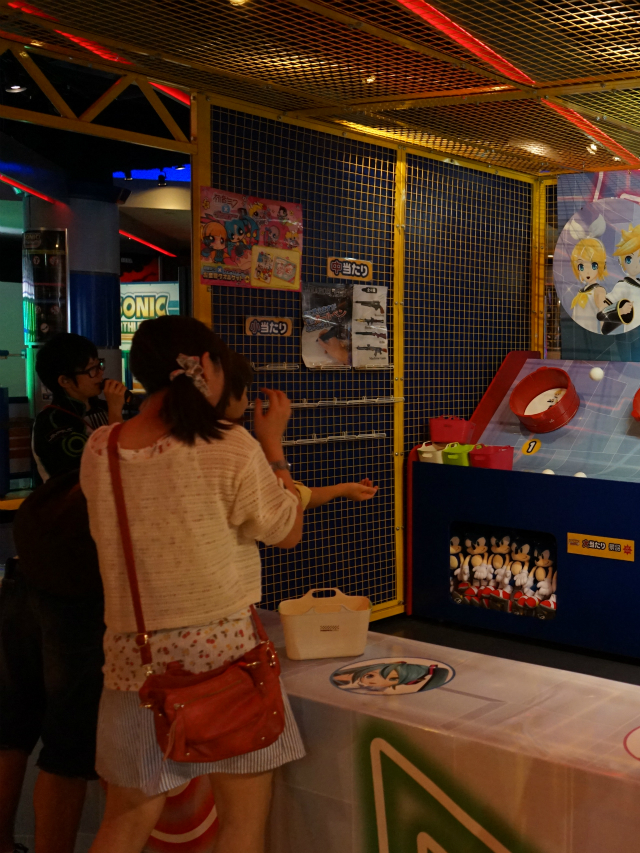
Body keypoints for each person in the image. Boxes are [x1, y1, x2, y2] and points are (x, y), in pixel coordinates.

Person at [78, 316, 305, 853]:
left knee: (124, 822)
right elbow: (287, 531)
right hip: (229, 662)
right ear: (204, 364)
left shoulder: (101, 448)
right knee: (242, 825)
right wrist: (273, 446)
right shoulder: (231, 445)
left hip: (136, 665)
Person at [0, 469, 105, 853]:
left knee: (10, 727)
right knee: (69, 750)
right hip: (78, 594)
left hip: (28, 570)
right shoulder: (173, 451)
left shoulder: (104, 446)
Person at [218, 350, 378, 510]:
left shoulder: (229, 446)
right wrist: (271, 440)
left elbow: (297, 496)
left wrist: (344, 489)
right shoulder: (230, 452)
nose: (247, 402)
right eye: (245, 392)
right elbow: (287, 510)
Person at [31, 333, 126, 481]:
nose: (100, 373)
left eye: (99, 365)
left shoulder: (102, 407)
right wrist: (115, 413)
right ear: (65, 381)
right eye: (91, 369)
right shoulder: (52, 422)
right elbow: (97, 471)